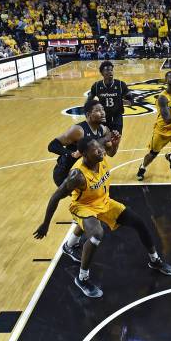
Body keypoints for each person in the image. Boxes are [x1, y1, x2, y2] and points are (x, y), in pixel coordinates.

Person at [34, 137, 171, 298]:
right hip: (83, 207)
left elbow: (111, 151)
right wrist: (46, 223)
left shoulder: (100, 157)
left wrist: (114, 144)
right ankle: (82, 278)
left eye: (100, 148)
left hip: (104, 202)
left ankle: (154, 260)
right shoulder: (77, 176)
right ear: (85, 154)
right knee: (96, 234)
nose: (101, 151)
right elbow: (55, 197)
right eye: (96, 150)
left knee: (139, 222)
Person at [47, 99, 120, 261]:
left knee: (89, 210)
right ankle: (70, 245)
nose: (102, 113)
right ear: (88, 115)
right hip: (66, 174)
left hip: (84, 176)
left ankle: (70, 244)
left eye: (103, 110)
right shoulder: (78, 131)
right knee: (85, 211)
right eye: (98, 110)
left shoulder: (104, 130)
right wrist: (69, 154)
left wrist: (115, 142)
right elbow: (52, 145)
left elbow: (111, 153)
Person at [88, 60, 133, 135]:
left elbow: (131, 99)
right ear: (102, 73)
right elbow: (88, 102)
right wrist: (92, 111)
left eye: (111, 70)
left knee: (115, 140)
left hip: (117, 117)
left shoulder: (121, 85)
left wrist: (125, 102)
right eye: (107, 70)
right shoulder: (96, 86)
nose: (110, 72)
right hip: (102, 118)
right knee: (104, 142)